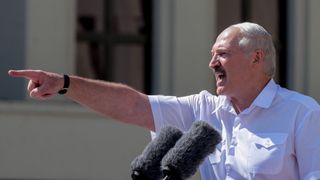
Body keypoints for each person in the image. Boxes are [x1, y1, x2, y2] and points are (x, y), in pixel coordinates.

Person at [8, 22, 320, 180]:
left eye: (222, 54)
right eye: (212, 55)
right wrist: (64, 84)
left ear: (256, 57)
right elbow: (133, 106)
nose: (212, 64)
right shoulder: (204, 110)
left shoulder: (302, 114)